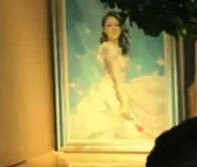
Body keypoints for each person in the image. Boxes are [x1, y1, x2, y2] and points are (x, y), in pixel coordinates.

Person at [70, 11, 166, 142]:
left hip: (120, 86)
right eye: (109, 25)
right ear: (104, 29)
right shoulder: (108, 48)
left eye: (117, 25)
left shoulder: (118, 48)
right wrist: (123, 103)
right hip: (112, 89)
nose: (114, 28)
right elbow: (115, 78)